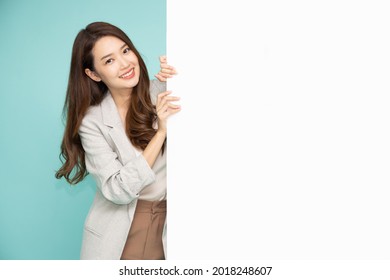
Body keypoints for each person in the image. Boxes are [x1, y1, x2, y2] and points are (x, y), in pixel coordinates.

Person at [55, 22, 180, 260]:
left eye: (125, 51)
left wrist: (180, 74)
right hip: (121, 231)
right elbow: (117, 190)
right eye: (109, 60)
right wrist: (160, 133)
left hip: (167, 227)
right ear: (93, 74)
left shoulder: (163, 93)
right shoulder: (92, 122)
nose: (125, 64)